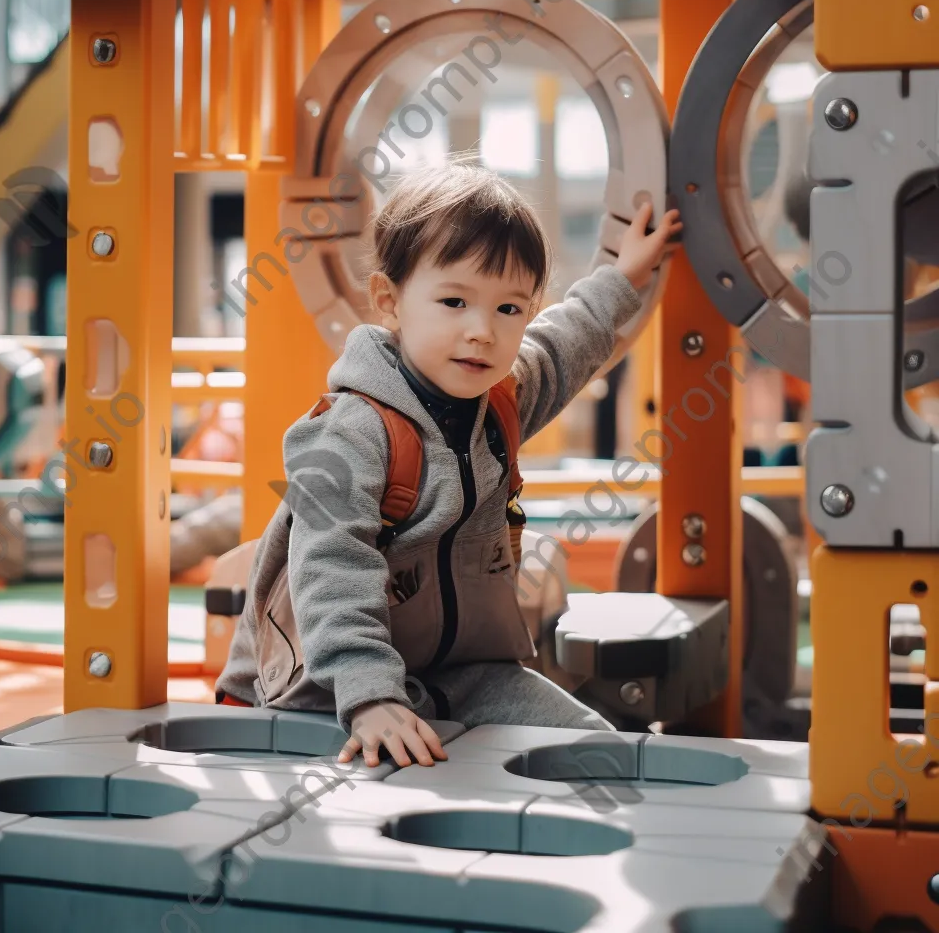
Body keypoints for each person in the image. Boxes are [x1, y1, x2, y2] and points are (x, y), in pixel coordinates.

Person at [216, 160, 681, 768]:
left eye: (510, 309)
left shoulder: (499, 403)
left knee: (597, 753)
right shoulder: (349, 431)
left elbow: (566, 341)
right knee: (382, 790)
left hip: (460, 675)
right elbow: (331, 563)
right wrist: (370, 696)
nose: (482, 331)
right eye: (455, 300)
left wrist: (623, 276)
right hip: (317, 691)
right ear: (390, 300)